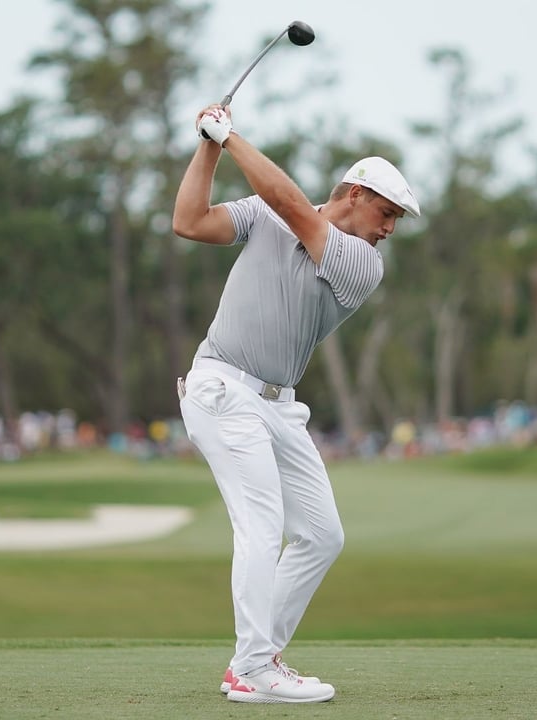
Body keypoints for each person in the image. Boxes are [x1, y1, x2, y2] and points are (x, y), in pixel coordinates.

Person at [172, 104, 419, 704]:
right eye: (386, 213)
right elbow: (189, 221)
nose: (390, 228)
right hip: (223, 387)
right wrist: (208, 146)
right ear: (356, 194)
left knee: (321, 535)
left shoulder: (362, 263)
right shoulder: (265, 213)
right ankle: (254, 668)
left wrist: (230, 136)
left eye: (396, 220)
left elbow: (289, 204)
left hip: (280, 407)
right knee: (261, 526)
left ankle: (256, 660)